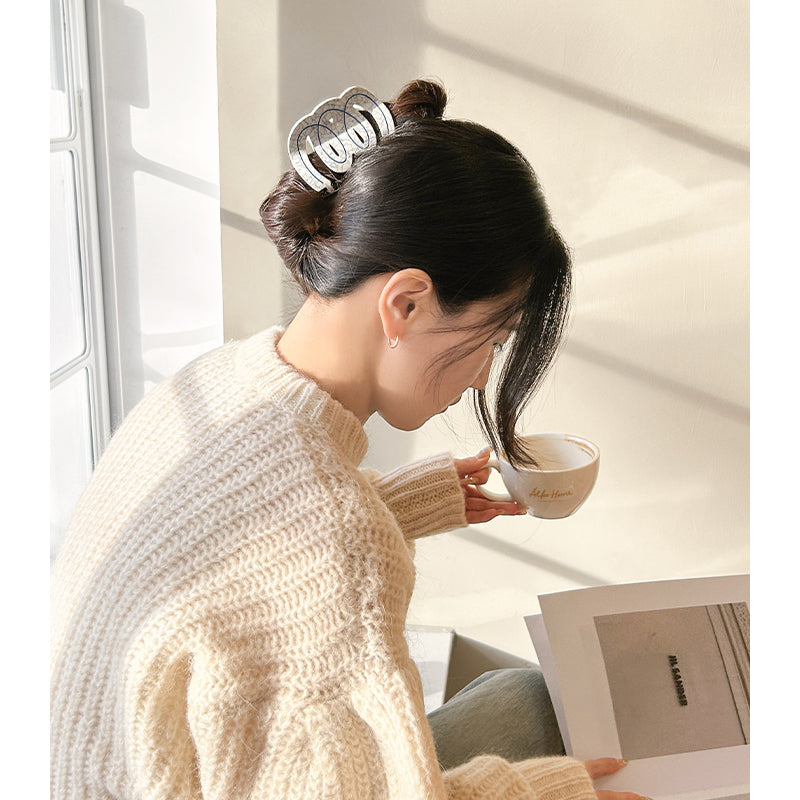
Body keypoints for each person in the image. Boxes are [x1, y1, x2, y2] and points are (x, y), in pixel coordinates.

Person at [51, 79, 642, 800]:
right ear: (407, 303)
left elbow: (235, 563)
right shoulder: (338, 543)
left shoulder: (212, 386)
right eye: (493, 338)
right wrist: (533, 793)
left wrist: (394, 506)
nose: (485, 374)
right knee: (553, 720)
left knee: (523, 697)